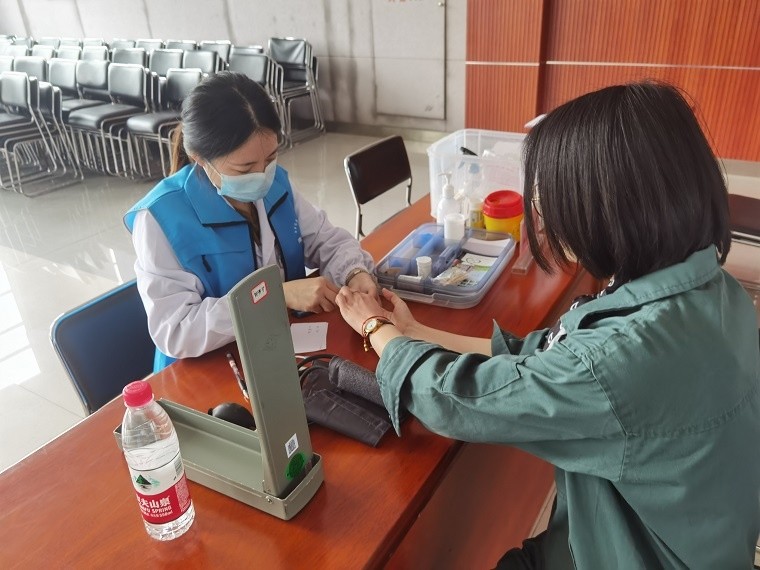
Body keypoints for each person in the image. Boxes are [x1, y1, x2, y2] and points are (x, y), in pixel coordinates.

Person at [335, 82, 760, 568]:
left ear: (607, 210)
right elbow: (551, 356)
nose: (544, 216)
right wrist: (415, 331)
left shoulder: (618, 359)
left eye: (550, 199)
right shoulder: (715, 291)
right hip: (680, 535)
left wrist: (375, 329)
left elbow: (457, 400)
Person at [125, 72, 376, 371]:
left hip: (277, 347)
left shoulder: (277, 184)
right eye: (244, 169)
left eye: (270, 159)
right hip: (209, 370)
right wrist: (274, 297)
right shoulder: (160, 219)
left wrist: (354, 272)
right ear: (200, 158)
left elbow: (327, 240)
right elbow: (177, 330)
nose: (262, 176)